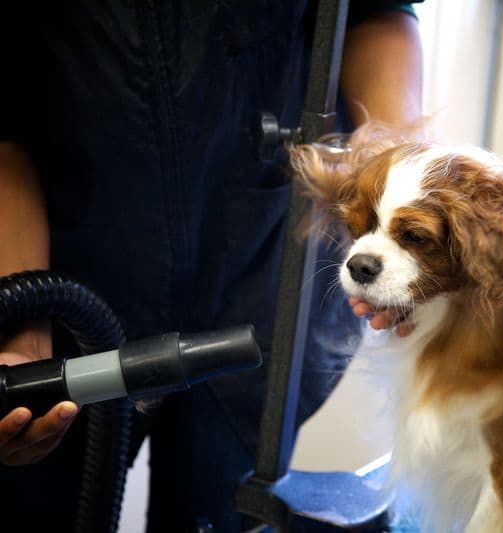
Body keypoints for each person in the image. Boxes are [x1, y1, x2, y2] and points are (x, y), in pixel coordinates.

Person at [0, 2, 423, 531]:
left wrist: (400, 188)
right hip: (71, 276)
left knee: (220, 505)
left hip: (263, 267)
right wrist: (23, 322)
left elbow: (376, 11)